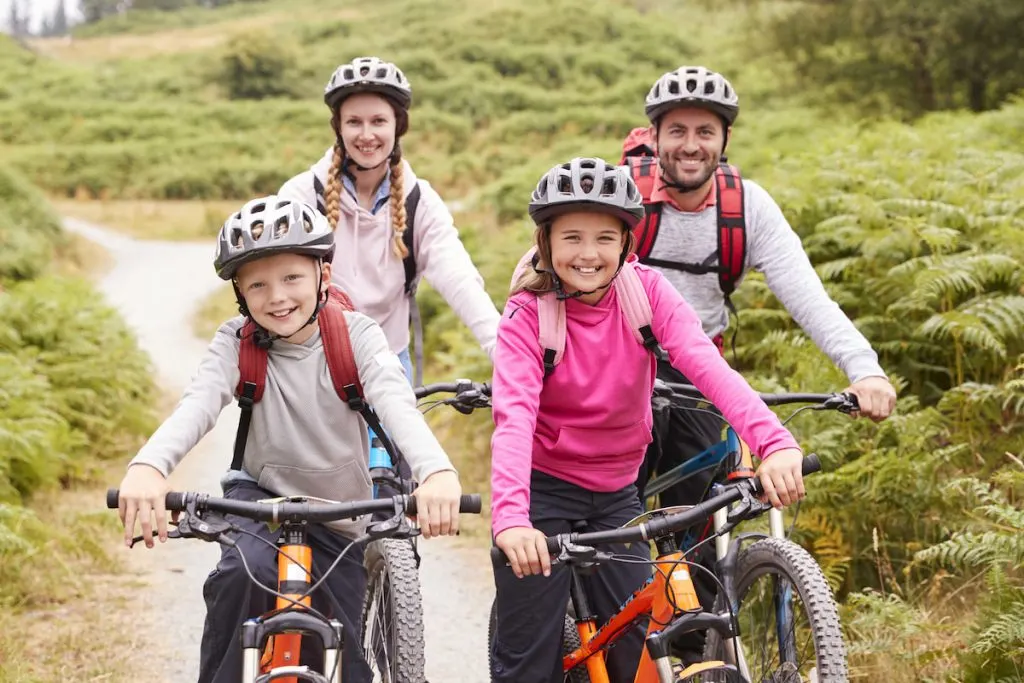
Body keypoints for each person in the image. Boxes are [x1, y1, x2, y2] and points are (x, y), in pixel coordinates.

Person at [115, 196, 464, 683]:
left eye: (292, 278)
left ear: (323, 274)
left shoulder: (354, 335)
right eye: (258, 284)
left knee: (349, 661)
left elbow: (395, 402)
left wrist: (436, 472)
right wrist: (148, 468)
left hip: (339, 513)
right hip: (259, 503)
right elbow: (195, 405)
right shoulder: (236, 341)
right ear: (239, 293)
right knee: (238, 580)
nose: (277, 297)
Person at [488, 158, 807, 682]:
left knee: (640, 652)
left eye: (603, 239)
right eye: (571, 237)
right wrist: (512, 519)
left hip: (618, 493)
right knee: (529, 661)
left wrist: (774, 444)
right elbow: (515, 417)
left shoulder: (647, 293)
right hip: (540, 492)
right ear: (545, 242)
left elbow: (711, 371)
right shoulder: (529, 313)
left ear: (625, 244)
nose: (587, 254)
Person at [630, 63, 899, 658]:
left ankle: (698, 657)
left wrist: (864, 368)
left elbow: (809, 297)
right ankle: (606, 637)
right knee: (614, 521)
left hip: (700, 375)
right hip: (616, 372)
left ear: (725, 139)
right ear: (653, 137)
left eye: (705, 131)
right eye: (677, 131)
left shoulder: (746, 209)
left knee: (700, 526)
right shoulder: (624, 198)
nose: (691, 144)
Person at [277, 56, 500, 381]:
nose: (366, 134)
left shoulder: (419, 202)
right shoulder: (301, 196)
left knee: (401, 434)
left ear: (398, 126)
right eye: (354, 122)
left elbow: (459, 279)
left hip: (388, 364)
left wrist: (504, 351)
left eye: (379, 121)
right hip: (313, 365)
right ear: (338, 127)